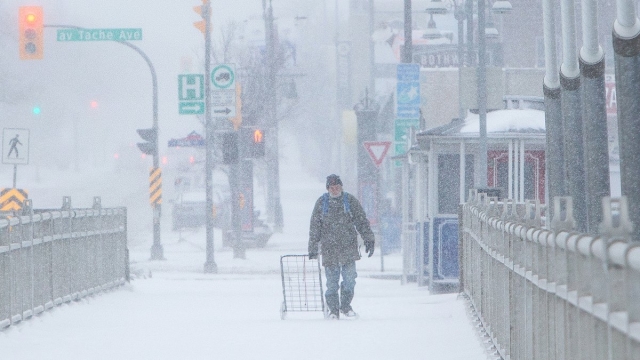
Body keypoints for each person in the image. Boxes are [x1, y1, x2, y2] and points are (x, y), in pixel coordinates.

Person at [308, 174, 375, 319]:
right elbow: (315, 227)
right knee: (332, 283)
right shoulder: (321, 203)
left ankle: (345, 306)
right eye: (332, 188)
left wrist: (369, 239)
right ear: (327, 189)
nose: (335, 190)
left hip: (348, 248)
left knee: (350, 280)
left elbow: (361, 221)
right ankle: (333, 310)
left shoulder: (350, 201)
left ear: (342, 187)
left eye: (337, 187)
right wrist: (313, 247)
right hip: (329, 250)